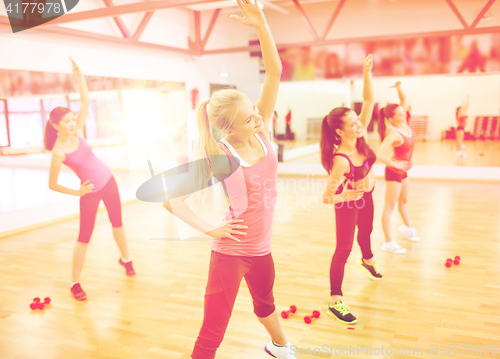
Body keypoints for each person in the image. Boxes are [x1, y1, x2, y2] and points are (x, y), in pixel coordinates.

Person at [162, 1, 295, 358]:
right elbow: (171, 200)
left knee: (265, 304)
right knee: (212, 332)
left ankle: (280, 346)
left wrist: (262, 24)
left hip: (262, 249)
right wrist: (211, 230)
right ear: (230, 128)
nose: (259, 119)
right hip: (230, 254)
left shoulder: (261, 134)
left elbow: (275, 72)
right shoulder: (222, 158)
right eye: (250, 118)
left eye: (256, 111)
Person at [45, 59, 135, 301]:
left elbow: (85, 101)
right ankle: (75, 282)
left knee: (118, 223)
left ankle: (126, 259)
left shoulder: (79, 130)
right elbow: (52, 184)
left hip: (109, 181)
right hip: (90, 191)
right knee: (84, 236)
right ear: (55, 126)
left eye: (73, 120)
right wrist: (78, 193)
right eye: (67, 122)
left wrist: (80, 76)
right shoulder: (58, 152)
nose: (73, 124)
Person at [321, 54, 381, 325]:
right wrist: (343, 194)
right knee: (343, 249)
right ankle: (335, 300)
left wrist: (367, 72)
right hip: (348, 203)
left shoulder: (360, 136)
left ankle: (367, 260)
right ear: (339, 133)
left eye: (358, 121)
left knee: (367, 232)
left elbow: (369, 101)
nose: (359, 125)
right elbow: (326, 196)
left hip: (366, 195)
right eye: (353, 124)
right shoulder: (340, 161)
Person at [376, 82, 419, 255]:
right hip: (394, 173)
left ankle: (407, 227)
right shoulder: (393, 132)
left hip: (403, 171)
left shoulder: (404, 122)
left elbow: (404, 100)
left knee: (404, 201)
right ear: (390, 119)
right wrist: (394, 164)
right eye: (400, 115)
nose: (403, 115)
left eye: (403, 113)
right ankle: (388, 242)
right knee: (389, 207)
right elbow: (379, 154)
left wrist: (398, 87)